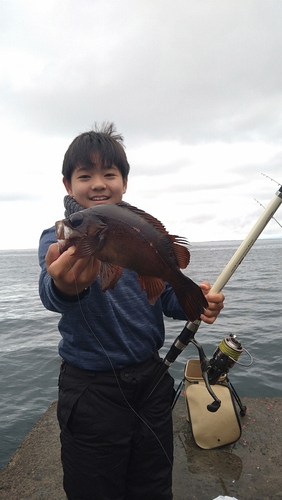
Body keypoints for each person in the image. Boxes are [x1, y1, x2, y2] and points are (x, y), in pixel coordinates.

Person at [38, 123, 225, 500]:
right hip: (91, 390)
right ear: (67, 184)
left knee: (153, 482)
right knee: (93, 486)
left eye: (109, 174)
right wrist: (65, 285)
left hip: (151, 381)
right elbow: (51, 291)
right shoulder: (60, 236)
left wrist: (195, 299)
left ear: (124, 182)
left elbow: (165, 297)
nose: (98, 183)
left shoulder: (138, 232)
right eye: (85, 175)